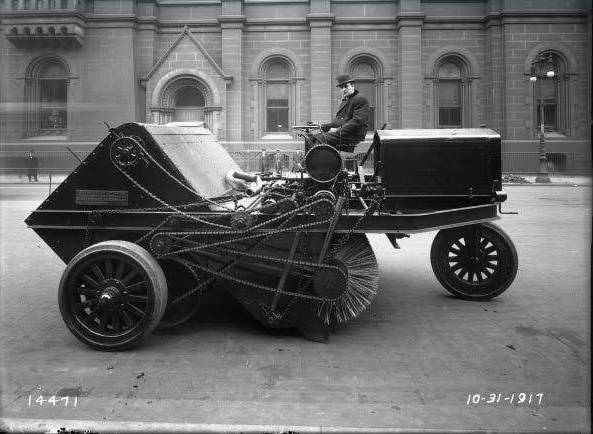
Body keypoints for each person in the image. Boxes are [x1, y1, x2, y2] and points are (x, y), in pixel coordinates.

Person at [309, 73, 370, 153]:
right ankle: (308, 164)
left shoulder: (360, 99)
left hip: (353, 135)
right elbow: (338, 122)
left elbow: (356, 122)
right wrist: (320, 126)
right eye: (341, 87)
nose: (343, 89)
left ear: (352, 86)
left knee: (320, 139)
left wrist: (337, 130)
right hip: (345, 133)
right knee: (312, 137)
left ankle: (320, 164)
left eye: (346, 86)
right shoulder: (345, 101)